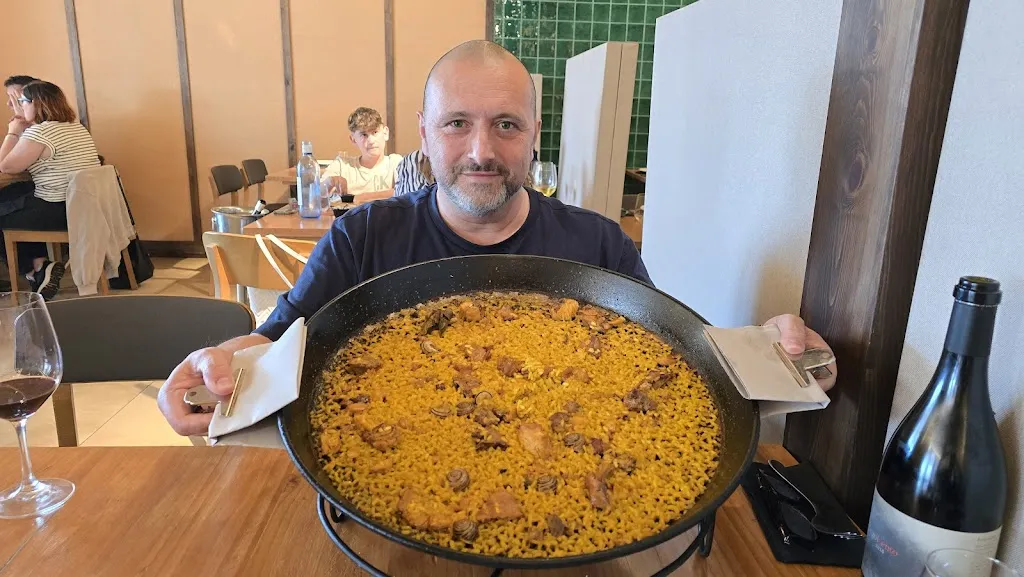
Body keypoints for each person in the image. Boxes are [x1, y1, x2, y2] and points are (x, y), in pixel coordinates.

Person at [158, 41, 836, 436]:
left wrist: (774, 357)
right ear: (424, 135)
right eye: (456, 123)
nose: (481, 151)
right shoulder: (362, 237)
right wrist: (213, 362)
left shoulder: (598, 245)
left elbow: (668, 361)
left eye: (506, 125)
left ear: (532, 138)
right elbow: (274, 345)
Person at [0, 81, 99, 299]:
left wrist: (13, 133)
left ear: (35, 104)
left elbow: (5, 166)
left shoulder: (40, 132)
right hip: (83, 208)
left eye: (22, 101)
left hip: (58, 211)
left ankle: (37, 267)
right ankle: (40, 268)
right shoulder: (74, 126)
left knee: (5, 214)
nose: (19, 106)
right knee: (12, 200)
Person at [321, 107, 403, 197]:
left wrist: (361, 198)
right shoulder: (342, 165)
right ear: (353, 139)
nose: (371, 141)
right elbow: (312, 196)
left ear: (385, 133)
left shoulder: (395, 163)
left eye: (375, 132)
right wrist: (329, 183)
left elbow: (406, 192)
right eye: (364, 135)